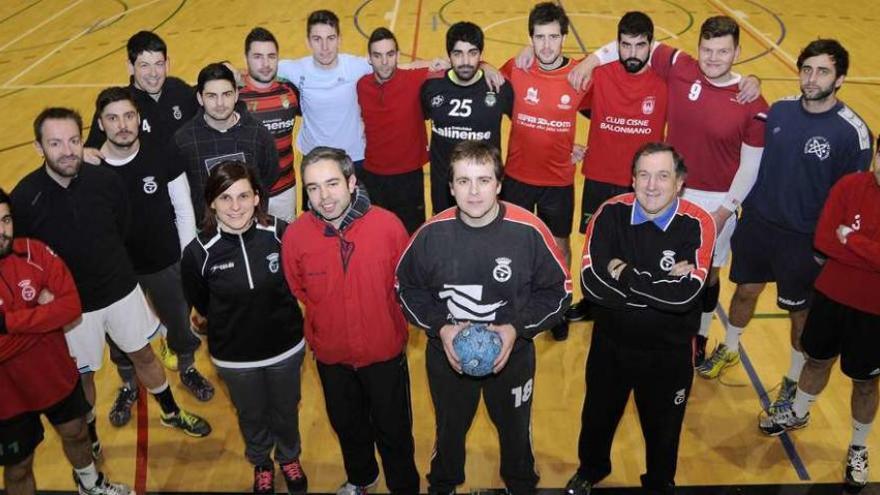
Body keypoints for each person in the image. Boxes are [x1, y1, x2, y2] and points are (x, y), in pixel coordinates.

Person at [11, 108, 211, 459]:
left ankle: (170, 411)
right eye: (55, 143)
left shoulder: (105, 182)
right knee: (82, 377)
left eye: (74, 140)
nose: (68, 150)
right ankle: (89, 435)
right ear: (38, 147)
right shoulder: (26, 198)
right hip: (71, 308)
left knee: (144, 356)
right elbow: (23, 252)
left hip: (120, 290)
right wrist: (44, 290)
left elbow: (122, 225)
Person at [396, 140, 572, 495]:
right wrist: (442, 329)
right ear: (450, 187)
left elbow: (560, 293)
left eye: (483, 180)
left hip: (514, 356)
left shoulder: (529, 231)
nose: (474, 191)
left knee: (515, 430)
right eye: (463, 181)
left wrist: (515, 329)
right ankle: (443, 483)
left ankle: (521, 483)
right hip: (447, 357)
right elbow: (406, 289)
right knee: (449, 429)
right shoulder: (430, 235)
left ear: (499, 183)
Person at [729, 39, 873, 413]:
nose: (812, 79)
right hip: (759, 224)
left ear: (840, 78)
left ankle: (792, 380)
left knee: (800, 315)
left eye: (823, 71)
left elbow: (852, 198)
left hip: (803, 240)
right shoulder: (778, 111)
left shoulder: (852, 133)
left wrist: (829, 248)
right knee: (744, 292)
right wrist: (753, 80)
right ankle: (728, 347)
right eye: (806, 69)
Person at [567, 143, 715, 495]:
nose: (652, 185)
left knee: (664, 431)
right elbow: (592, 286)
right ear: (632, 180)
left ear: (679, 182)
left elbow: (685, 297)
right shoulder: (609, 213)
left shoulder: (698, 223)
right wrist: (659, 285)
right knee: (597, 419)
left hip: (669, 353)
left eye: (662, 176)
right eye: (644, 175)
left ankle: (659, 483)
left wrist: (625, 273)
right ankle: (592, 469)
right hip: (610, 347)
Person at [282, 147, 419, 495]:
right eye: (313, 188)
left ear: (351, 182)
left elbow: (407, 285)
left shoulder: (389, 227)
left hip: (383, 354)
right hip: (332, 357)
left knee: (395, 431)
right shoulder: (296, 237)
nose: (324, 197)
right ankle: (361, 478)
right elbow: (299, 288)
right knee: (347, 427)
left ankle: (404, 486)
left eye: (332, 184)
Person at [759, 138, 880, 491]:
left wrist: (852, 241)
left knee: (865, 384)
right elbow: (826, 239)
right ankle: (798, 411)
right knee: (816, 360)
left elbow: (842, 241)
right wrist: (860, 248)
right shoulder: (849, 185)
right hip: (830, 296)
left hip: (874, 310)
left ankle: (858, 447)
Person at [182, 161, 307, 494]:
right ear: (211, 203)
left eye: (243, 196)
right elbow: (202, 303)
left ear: (257, 198)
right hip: (235, 358)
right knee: (251, 415)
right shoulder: (198, 253)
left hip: (286, 348)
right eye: (225, 198)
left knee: (285, 409)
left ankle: (289, 456)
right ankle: (262, 462)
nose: (235, 206)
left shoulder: (282, 234)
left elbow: (298, 285)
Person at [93, 87, 214, 428]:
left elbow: (182, 207)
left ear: (139, 119)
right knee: (120, 335)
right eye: (113, 118)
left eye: (129, 116)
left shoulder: (162, 154)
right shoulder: (93, 168)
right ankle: (129, 384)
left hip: (165, 262)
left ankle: (187, 368)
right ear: (101, 124)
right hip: (118, 273)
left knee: (179, 323)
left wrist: (188, 258)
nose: (122, 125)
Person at [0, 189, 131, 495]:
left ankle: (90, 484)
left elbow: (71, 307)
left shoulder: (35, 252)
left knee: (77, 433)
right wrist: (45, 318)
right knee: (19, 467)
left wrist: (9, 324)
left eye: (5, 220)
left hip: (55, 374)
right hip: (7, 397)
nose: (1, 231)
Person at [566, 11, 668, 325]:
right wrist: (567, 143)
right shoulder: (600, 73)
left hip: (641, 184)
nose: (632, 53)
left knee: (637, 246)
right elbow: (563, 101)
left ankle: (633, 299)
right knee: (595, 243)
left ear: (652, 45)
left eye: (640, 45)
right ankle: (592, 299)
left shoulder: (666, 82)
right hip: (598, 175)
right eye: (625, 45)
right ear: (617, 45)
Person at [500, 3, 588, 341]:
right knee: (515, 243)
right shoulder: (516, 68)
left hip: (558, 180)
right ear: (531, 39)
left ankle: (560, 304)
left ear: (564, 38)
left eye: (554, 37)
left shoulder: (580, 75)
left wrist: (585, 148)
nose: (547, 45)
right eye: (540, 37)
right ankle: (516, 301)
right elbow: (486, 76)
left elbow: (609, 106)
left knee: (559, 246)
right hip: (518, 176)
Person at [421, 21, 513, 214]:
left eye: (472, 53)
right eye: (458, 53)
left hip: (484, 189)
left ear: (480, 55)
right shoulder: (431, 87)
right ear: (449, 55)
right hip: (443, 190)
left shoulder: (498, 88)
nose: (465, 61)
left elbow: (525, 124)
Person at [170, 62, 279, 224]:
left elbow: (268, 176)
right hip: (207, 233)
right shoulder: (183, 140)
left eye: (226, 94)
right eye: (212, 96)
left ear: (236, 95)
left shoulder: (258, 133)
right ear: (200, 98)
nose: (220, 103)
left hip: (253, 229)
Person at [357, 27, 434, 233]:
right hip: (374, 177)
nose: (384, 61)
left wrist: (485, 66)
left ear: (398, 56)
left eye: (390, 54)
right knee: (379, 237)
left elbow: (455, 65)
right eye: (378, 55)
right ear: (369, 58)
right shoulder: (360, 85)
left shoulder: (416, 79)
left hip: (409, 177)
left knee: (412, 236)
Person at [84, 30, 199, 163]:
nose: (153, 73)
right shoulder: (118, 105)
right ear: (130, 67)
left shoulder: (178, 89)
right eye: (144, 65)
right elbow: (91, 152)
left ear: (167, 64)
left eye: (159, 64)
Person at [239, 27, 300, 221]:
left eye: (271, 56)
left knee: (286, 244)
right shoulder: (233, 95)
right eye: (257, 56)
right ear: (245, 58)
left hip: (286, 190)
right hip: (247, 193)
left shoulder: (290, 92)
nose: (265, 64)